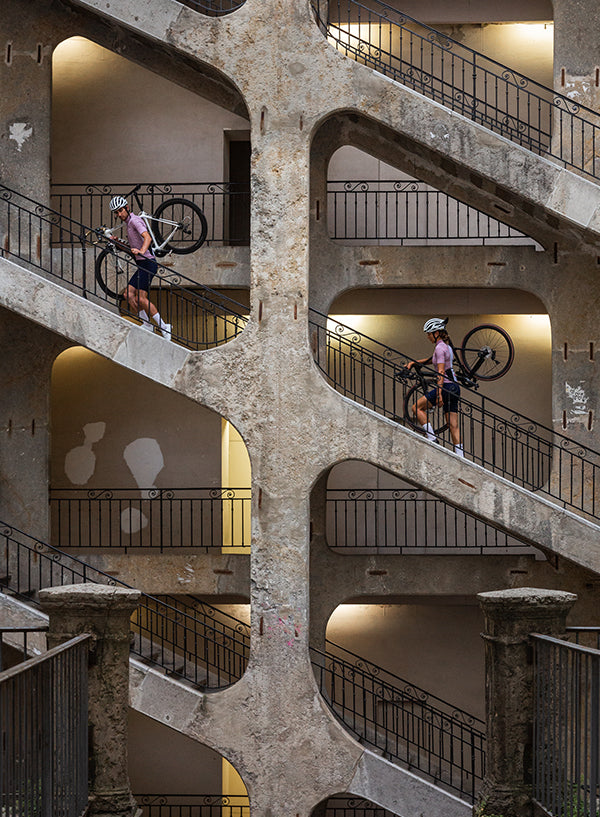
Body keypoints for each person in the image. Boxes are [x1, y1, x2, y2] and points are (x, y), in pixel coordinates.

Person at [108, 195, 171, 340]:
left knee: (141, 298)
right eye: (116, 213)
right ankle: (147, 324)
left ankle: (164, 326)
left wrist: (142, 251)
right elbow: (132, 248)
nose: (119, 214)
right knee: (128, 295)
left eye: (120, 211)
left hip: (148, 263)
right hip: (142, 265)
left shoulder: (135, 221)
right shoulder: (129, 223)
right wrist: (117, 242)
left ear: (127, 208)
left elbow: (147, 237)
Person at [406, 317, 464, 457]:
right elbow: (431, 360)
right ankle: (460, 455)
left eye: (429, 334)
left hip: (445, 387)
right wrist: (414, 363)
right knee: (453, 425)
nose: (428, 337)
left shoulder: (439, 348)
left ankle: (432, 438)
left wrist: (439, 394)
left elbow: (441, 372)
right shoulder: (446, 347)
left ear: (436, 333)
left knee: (416, 408)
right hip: (455, 388)